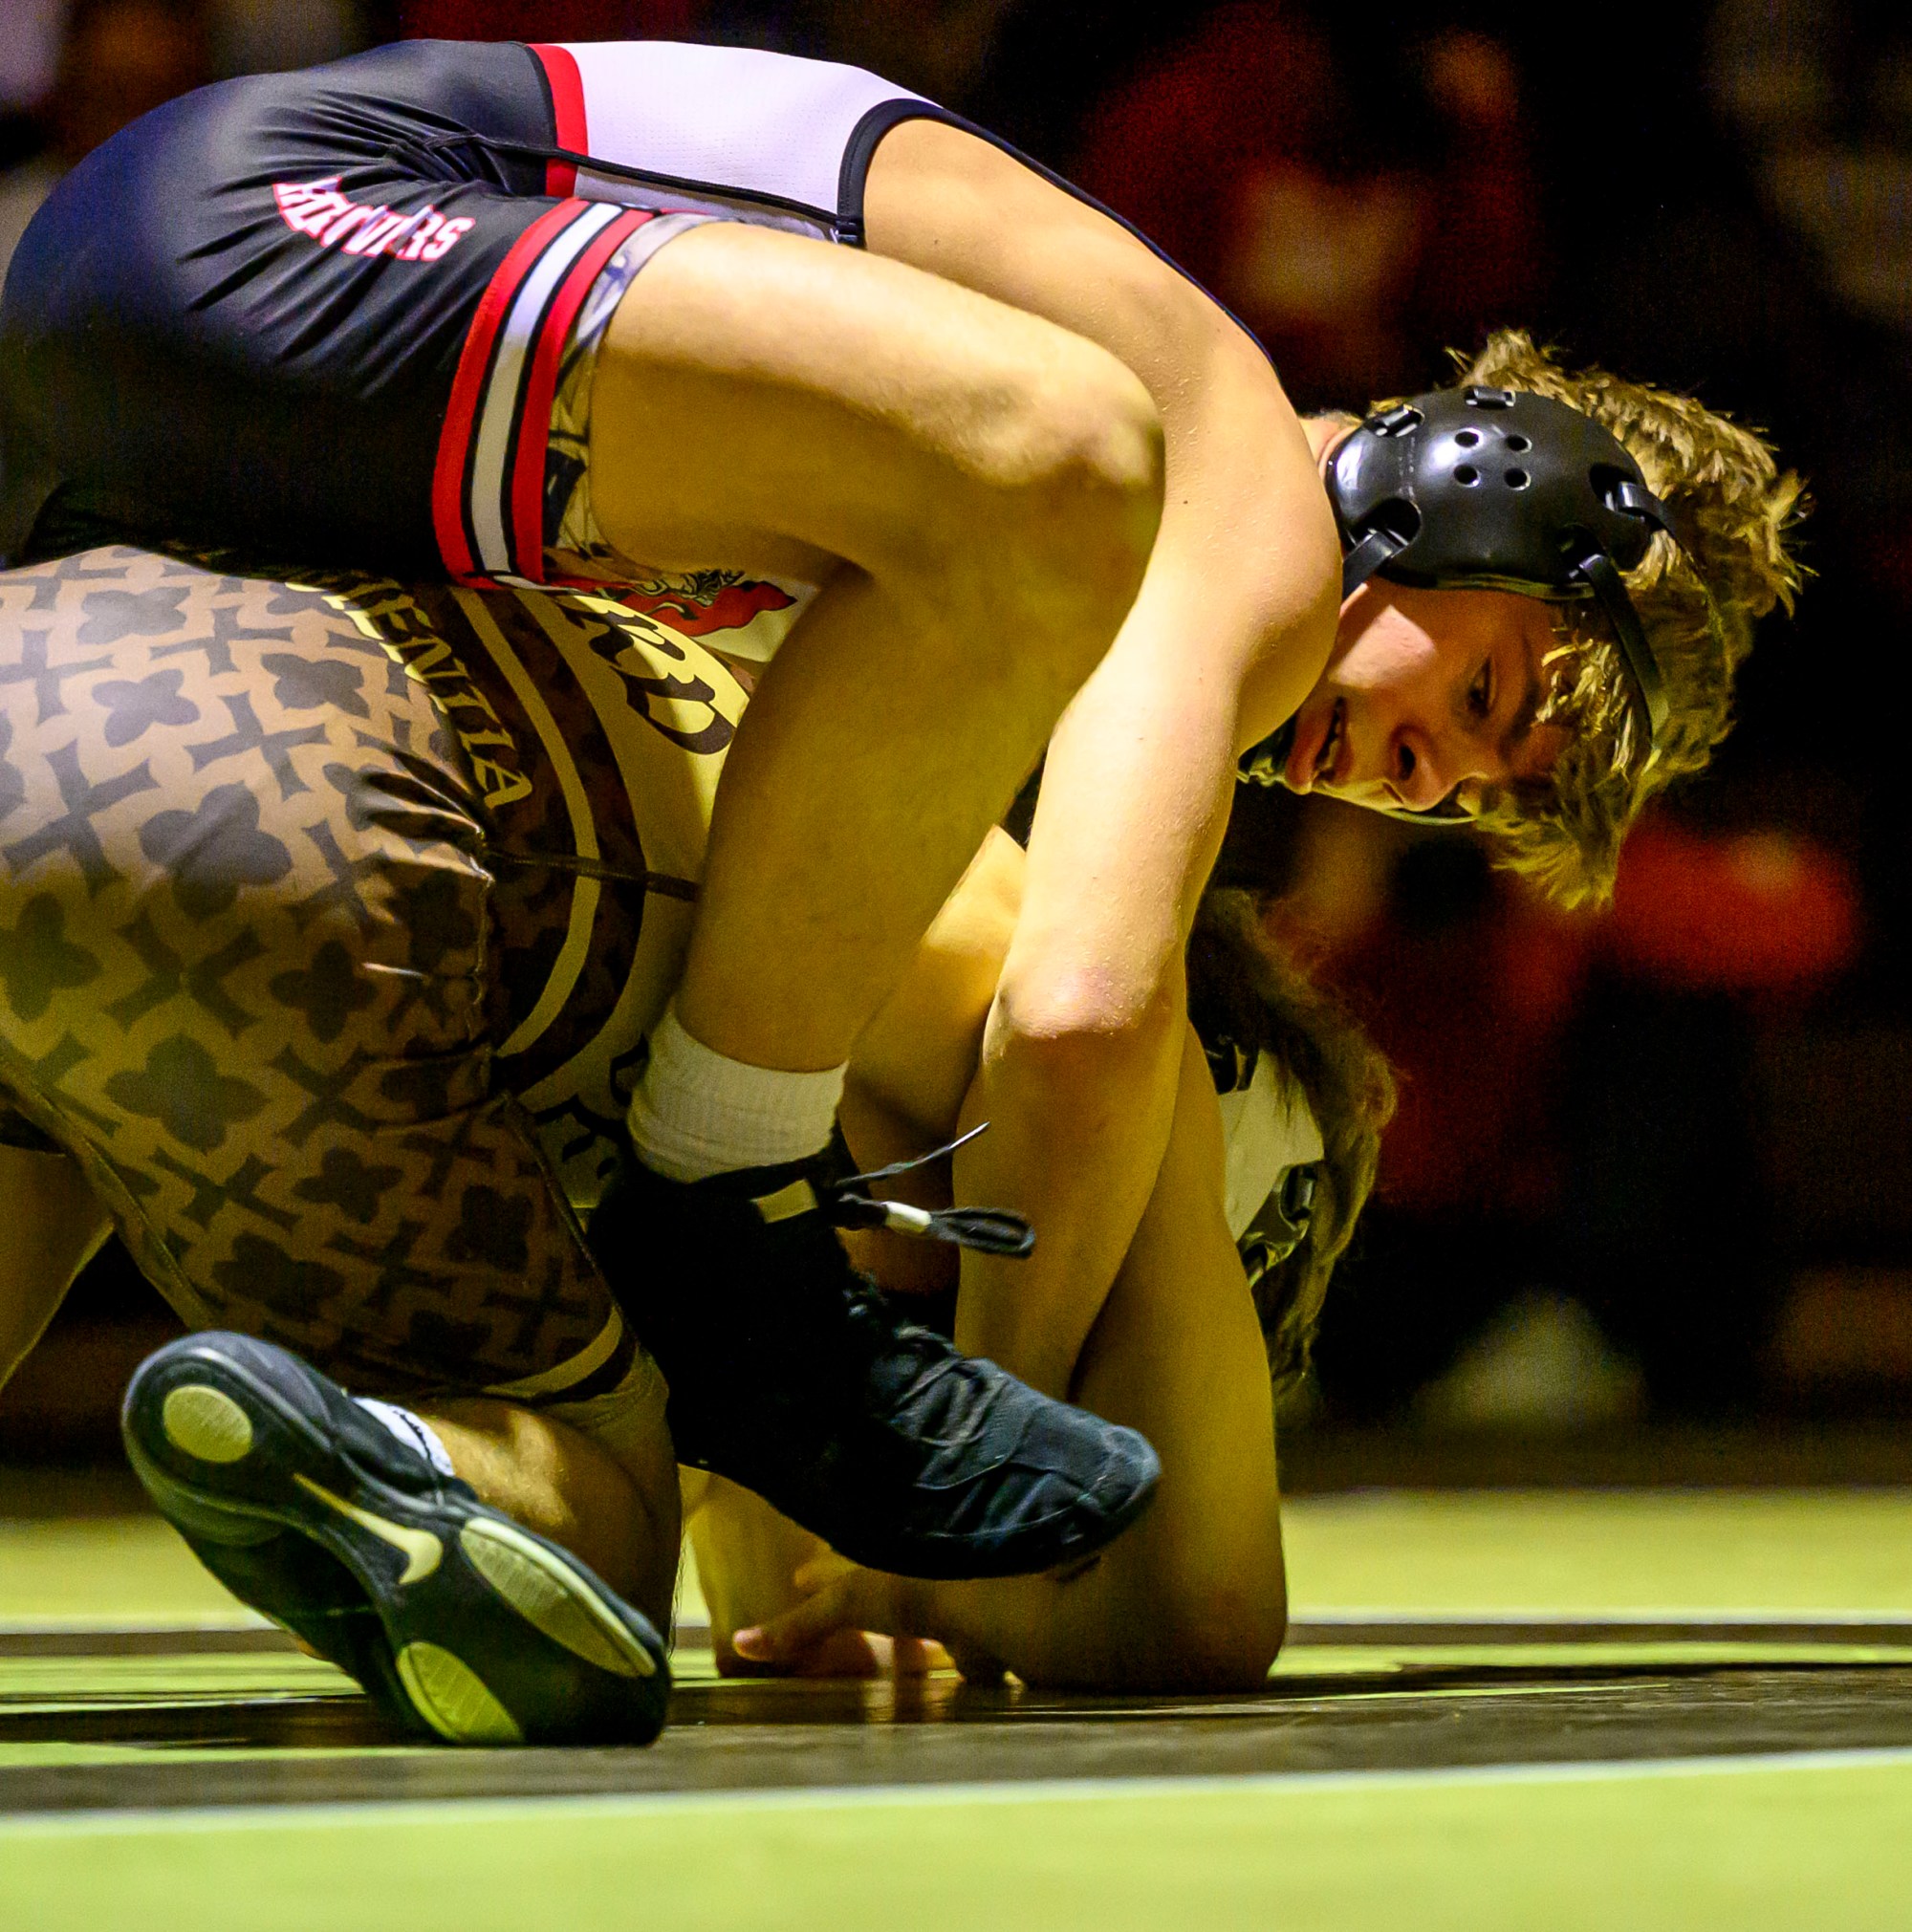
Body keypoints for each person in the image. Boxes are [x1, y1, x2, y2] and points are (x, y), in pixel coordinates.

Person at [0, 39, 1797, 1652]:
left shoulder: (942, 628)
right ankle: (734, 1189)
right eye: (1483, 699)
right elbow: (1085, 1010)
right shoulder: (1225, 459)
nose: (1411, 775)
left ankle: (536, 1387)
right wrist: (974, 1433)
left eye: (1461, 800)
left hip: (179, 443)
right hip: (282, 233)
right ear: (1468, 480)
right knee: (1058, 454)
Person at [0, 535, 1384, 1722]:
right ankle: (405, 1453)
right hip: (310, 836)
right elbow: (1203, 1611)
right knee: (605, 1541)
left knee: (62, 1105)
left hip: (68, 651)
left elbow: (772, 1515)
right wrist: (936, 1568)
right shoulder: (1085, 1010)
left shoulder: (856, 794)